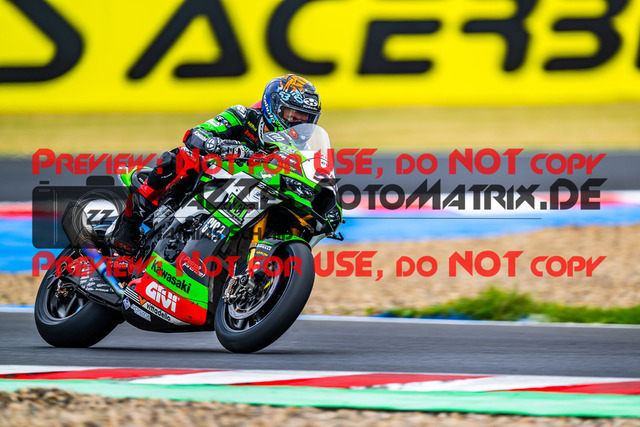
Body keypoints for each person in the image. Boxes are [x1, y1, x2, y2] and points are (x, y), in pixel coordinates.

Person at [108, 74, 322, 255]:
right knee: (180, 157)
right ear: (273, 106)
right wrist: (215, 144)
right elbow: (195, 134)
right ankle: (128, 224)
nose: (300, 124)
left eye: (307, 119)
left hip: (251, 196)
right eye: (294, 116)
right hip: (212, 179)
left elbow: (311, 174)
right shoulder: (243, 116)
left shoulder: (298, 150)